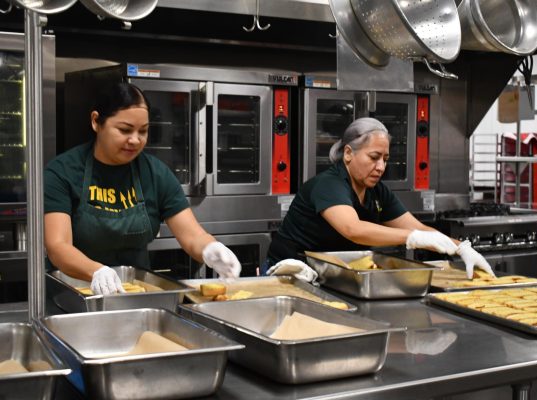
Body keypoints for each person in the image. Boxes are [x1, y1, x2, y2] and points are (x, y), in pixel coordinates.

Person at [44, 82, 241, 295]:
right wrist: (96, 271)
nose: (135, 140)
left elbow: (192, 235)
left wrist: (210, 249)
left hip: (135, 297)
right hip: (73, 295)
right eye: (125, 130)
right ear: (96, 122)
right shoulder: (63, 172)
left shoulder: (155, 174)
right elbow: (58, 246)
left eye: (144, 131)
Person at [265, 117, 493, 281]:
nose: (381, 167)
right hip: (292, 273)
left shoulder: (377, 191)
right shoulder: (329, 184)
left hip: (331, 275)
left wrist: (461, 248)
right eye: (374, 157)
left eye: (385, 158)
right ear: (348, 154)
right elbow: (353, 229)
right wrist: (412, 238)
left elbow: (417, 227)